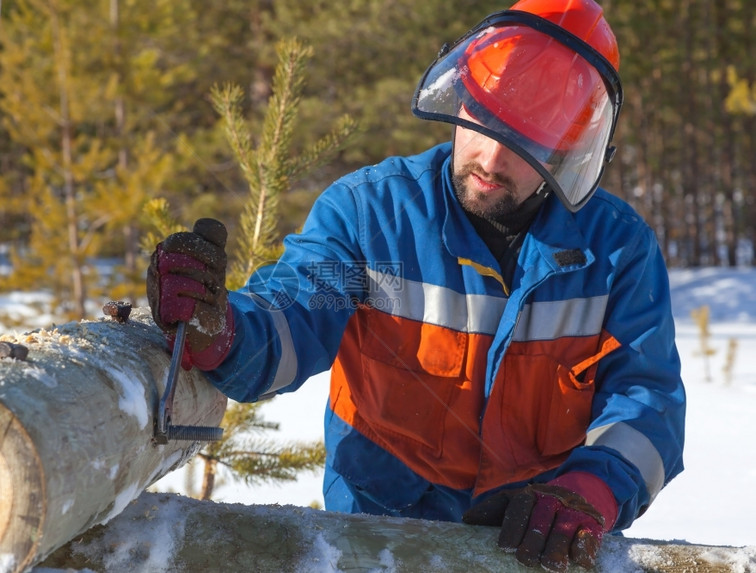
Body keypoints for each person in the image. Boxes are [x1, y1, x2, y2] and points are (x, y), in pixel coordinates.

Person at [146, 0, 686, 570]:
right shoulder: (371, 217)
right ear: (460, 100)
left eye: (526, 140)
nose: (492, 158)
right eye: (483, 121)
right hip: (375, 544)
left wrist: (592, 490)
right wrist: (224, 331)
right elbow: (300, 305)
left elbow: (646, 401)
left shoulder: (616, 251)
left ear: (567, 150)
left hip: (530, 547)